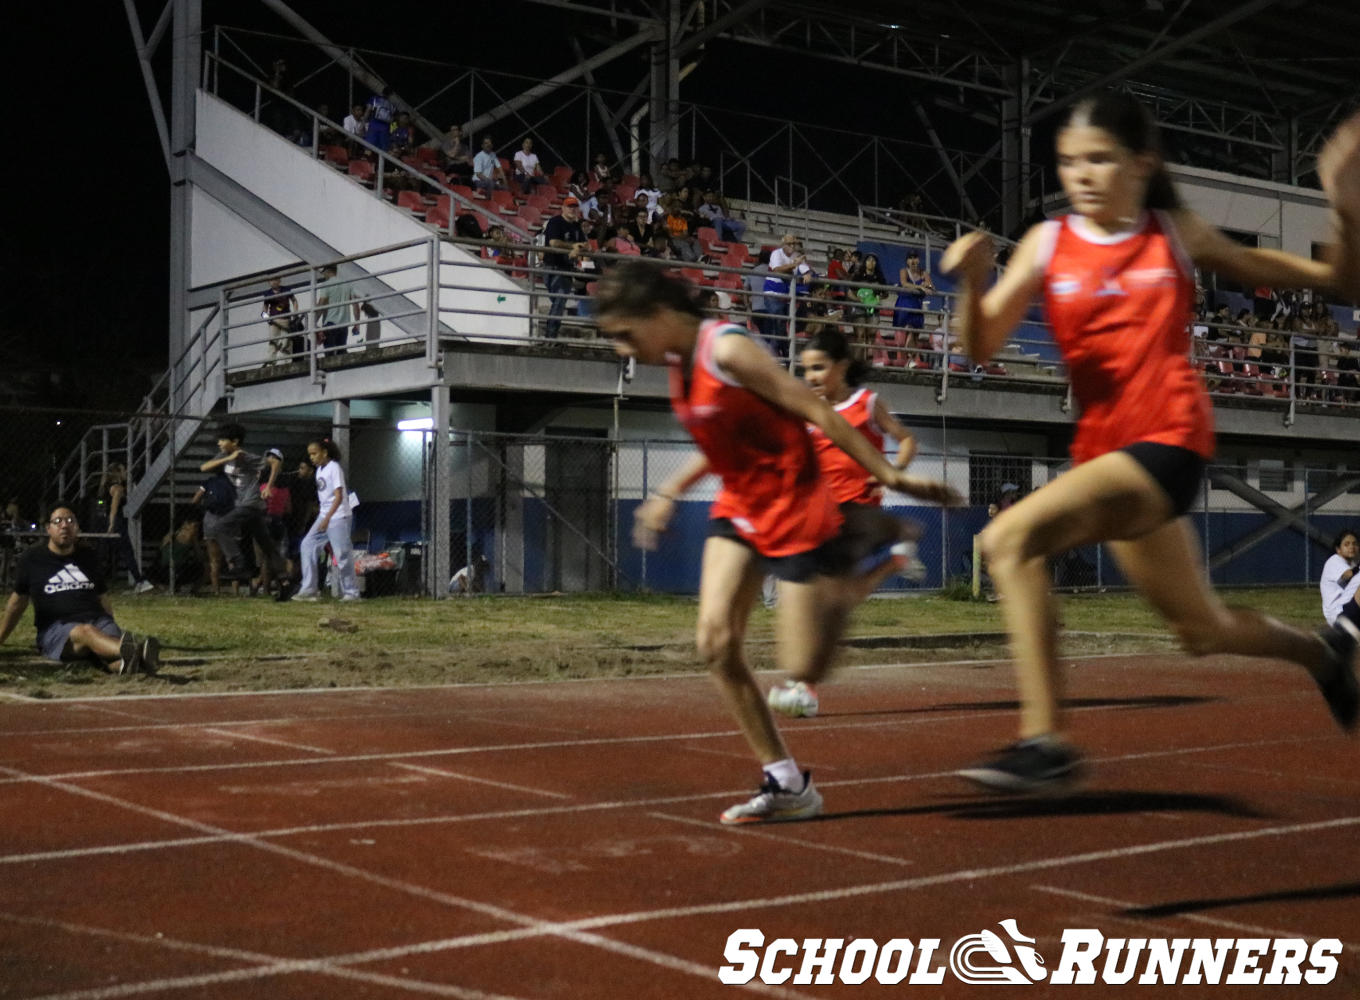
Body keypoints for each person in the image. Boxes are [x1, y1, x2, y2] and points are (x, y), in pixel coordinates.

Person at [940, 93, 1360, 794]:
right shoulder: (1048, 242)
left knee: (1006, 541)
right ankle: (1327, 651)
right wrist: (974, 281)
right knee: (1202, 631)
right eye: (1069, 162)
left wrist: (1344, 207)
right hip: (1104, 452)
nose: (1082, 174)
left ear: (1142, 164)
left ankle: (1046, 741)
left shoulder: (1177, 232)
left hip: (1169, 436)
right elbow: (982, 345)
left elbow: (1337, 282)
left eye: (1100, 159)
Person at [593, 261, 957, 824]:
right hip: (740, 507)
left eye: (624, 334)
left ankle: (858, 568)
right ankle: (787, 783)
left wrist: (891, 476)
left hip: (793, 504)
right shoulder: (676, 362)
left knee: (802, 663)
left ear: (660, 315)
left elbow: (813, 409)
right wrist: (667, 490)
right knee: (715, 642)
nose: (622, 349)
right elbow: (718, 443)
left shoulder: (729, 351)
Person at [766, 327, 927, 718]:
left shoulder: (867, 404)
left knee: (825, 599)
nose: (812, 378)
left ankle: (804, 686)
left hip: (857, 510)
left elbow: (906, 440)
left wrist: (892, 469)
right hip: (816, 514)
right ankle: (896, 559)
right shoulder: (808, 410)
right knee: (832, 598)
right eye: (806, 371)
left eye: (819, 368)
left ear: (842, 366)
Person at [0, 502, 160, 675]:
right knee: (87, 633)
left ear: (76, 527)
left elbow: (102, 597)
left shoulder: (88, 557)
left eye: (70, 521)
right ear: (48, 528)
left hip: (97, 621)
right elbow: (17, 604)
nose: (64, 525)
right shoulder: (32, 559)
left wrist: (109, 625)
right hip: (58, 628)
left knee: (104, 645)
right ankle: (137, 651)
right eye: (58, 521)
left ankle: (128, 662)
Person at [200, 424, 292, 602]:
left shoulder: (246, 457)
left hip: (250, 504)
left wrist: (269, 486)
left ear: (234, 441)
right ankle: (286, 583)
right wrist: (228, 457)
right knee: (267, 546)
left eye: (222, 440)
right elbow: (204, 467)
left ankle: (238, 563)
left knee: (219, 527)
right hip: (246, 506)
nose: (219, 443)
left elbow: (275, 463)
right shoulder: (225, 456)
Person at [292, 438, 360, 602]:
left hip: (338, 516)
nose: (312, 458)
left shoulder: (334, 468)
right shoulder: (319, 470)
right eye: (310, 455)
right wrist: (322, 516)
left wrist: (327, 518)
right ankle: (309, 589)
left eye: (314, 454)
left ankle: (351, 593)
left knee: (342, 554)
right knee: (307, 544)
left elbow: (338, 496)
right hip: (325, 516)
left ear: (325, 452)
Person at [97, 463, 154, 593]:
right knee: (127, 552)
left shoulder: (105, 487)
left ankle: (96, 581)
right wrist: (112, 524)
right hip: (116, 521)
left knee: (104, 553)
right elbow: (114, 507)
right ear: (117, 473)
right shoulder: (117, 488)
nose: (126, 472)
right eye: (123, 470)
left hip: (104, 521)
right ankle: (140, 581)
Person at [540, 197, 589, 339]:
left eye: (575, 207)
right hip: (553, 266)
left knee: (559, 301)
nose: (572, 209)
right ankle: (551, 334)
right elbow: (553, 242)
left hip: (567, 267)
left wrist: (578, 249)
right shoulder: (555, 222)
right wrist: (572, 246)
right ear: (563, 208)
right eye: (569, 206)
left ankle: (551, 335)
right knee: (559, 300)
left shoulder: (576, 226)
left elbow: (585, 245)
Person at [1321, 529, 1360, 626]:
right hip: (1339, 613)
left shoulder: (1353, 564)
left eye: (1354, 544)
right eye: (1346, 544)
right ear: (1338, 549)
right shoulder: (1334, 560)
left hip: (1350, 609)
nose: (1351, 547)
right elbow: (1346, 576)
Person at [262, 276, 301, 365]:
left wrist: (295, 314)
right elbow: (264, 309)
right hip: (273, 321)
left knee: (286, 341)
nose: (274, 282)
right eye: (271, 280)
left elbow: (294, 301)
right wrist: (267, 319)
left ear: (280, 280)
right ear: (268, 282)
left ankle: (287, 362)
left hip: (285, 319)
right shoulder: (267, 294)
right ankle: (271, 362)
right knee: (273, 341)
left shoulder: (286, 289)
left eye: (276, 279)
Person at [364, 88, 396, 153]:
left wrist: (362, 125)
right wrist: (392, 131)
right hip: (385, 129)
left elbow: (368, 111)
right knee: (383, 149)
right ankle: (380, 162)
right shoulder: (392, 105)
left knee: (369, 147)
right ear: (391, 95)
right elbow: (392, 119)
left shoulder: (374, 99)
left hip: (374, 126)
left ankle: (366, 160)